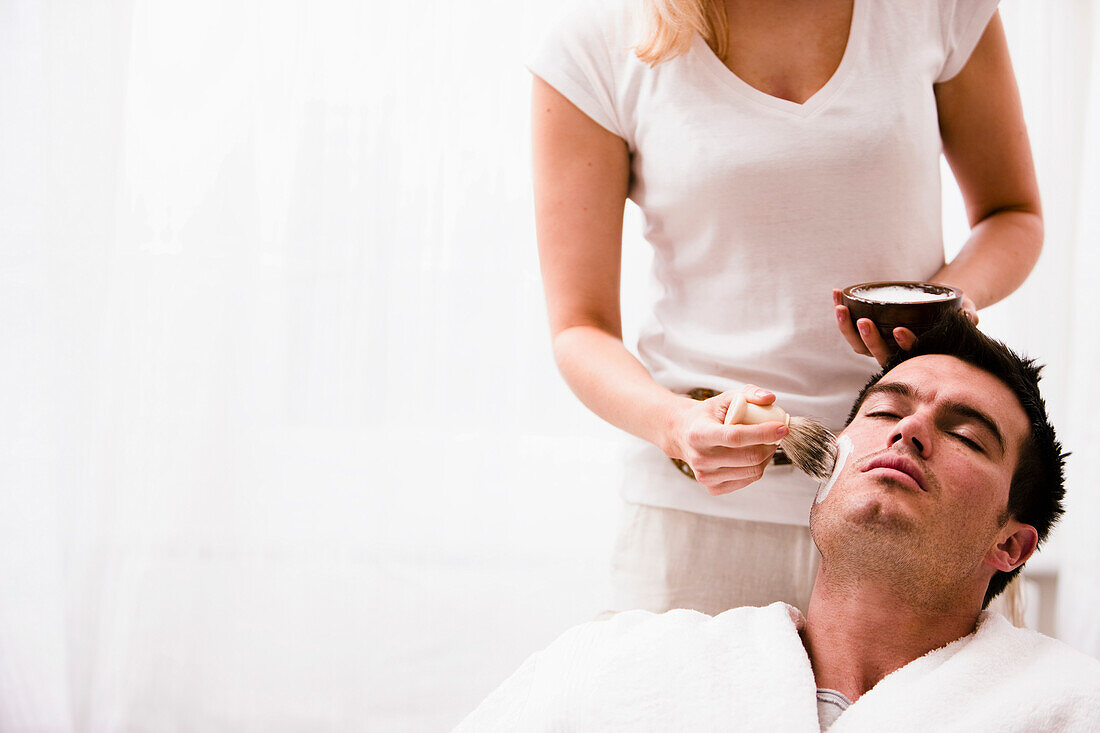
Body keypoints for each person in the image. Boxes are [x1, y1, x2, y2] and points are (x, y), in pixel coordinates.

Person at [529, 0, 1044, 614]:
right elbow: (580, 327)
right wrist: (674, 426)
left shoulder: (936, 9)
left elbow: (1013, 215)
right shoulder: (595, 45)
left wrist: (946, 304)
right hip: (702, 523)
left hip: (917, 514)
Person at [456, 315, 1100, 731]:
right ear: (824, 475)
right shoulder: (618, 663)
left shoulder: (1064, 706)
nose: (909, 430)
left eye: (966, 434)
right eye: (883, 412)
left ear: (1011, 545)